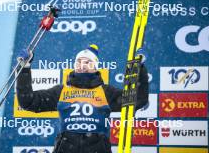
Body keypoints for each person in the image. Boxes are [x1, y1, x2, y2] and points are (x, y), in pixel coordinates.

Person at [16, 44, 149, 153]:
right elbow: (28, 102)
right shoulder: (61, 91)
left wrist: (139, 67)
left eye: (87, 62)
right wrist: (25, 68)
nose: (82, 65)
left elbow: (139, 100)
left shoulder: (106, 92)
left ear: (95, 66)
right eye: (79, 61)